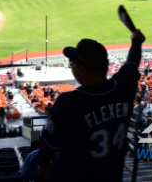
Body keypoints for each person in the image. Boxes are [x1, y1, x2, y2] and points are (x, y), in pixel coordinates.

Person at [38, 29, 145, 182]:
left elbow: (47, 145)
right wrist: (137, 41)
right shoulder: (124, 88)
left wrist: (42, 167)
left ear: (82, 70)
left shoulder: (68, 102)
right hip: (113, 176)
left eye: (72, 63)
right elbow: (132, 62)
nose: (71, 66)